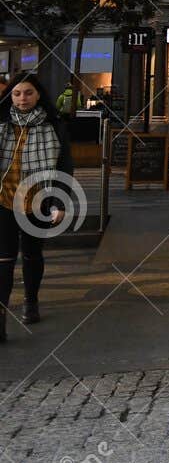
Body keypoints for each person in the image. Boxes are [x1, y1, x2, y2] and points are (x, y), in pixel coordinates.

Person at [0, 74, 74, 338]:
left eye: (28, 93)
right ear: (10, 95)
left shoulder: (53, 126)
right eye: (17, 93)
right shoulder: (2, 123)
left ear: (39, 94)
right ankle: (1, 317)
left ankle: (31, 302)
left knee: (32, 254)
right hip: (4, 199)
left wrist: (60, 202)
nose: (22, 99)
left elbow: (64, 165)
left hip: (38, 199)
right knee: (4, 259)